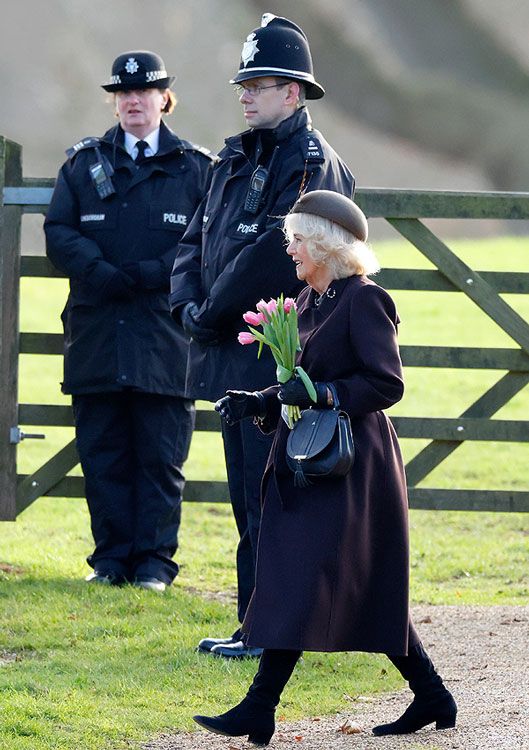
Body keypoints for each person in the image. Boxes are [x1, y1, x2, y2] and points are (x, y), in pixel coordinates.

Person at [193, 190, 457, 744]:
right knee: (313, 575)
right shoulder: (310, 300)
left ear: (322, 244)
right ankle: (428, 693)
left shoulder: (364, 300)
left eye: (295, 239)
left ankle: (260, 707)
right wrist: (259, 401)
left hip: (352, 463)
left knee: (329, 576)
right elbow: (300, 380)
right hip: (311, 461)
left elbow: (386, 383)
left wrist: (325, 392)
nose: (288, 249)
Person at [170, 14, 355, 658]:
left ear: (294, 93)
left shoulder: (309, 164)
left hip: (276, 358)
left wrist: (212, 312)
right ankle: (258, 624)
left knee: (275, 497)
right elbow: (195, 236)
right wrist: (186, 304)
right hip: (230, 352)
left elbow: (278, 256)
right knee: (248, 497)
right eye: (244, 82)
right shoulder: (234, 156)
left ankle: (278, 627)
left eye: (263, 82)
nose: (246, 92)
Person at [44, 51, 215, 592]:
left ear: (165, 99)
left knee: (161, 458)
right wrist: (97, 271)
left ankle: (154, 567)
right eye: (123, 94)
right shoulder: (81, 165)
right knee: (103, 454)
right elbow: (58, 231)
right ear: (114, 101)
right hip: (98, 333)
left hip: (164, 340)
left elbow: (207, 243)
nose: (133, 102)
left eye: (144, 93)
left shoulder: (195, 170)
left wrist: (148, 274)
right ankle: (110, 562)